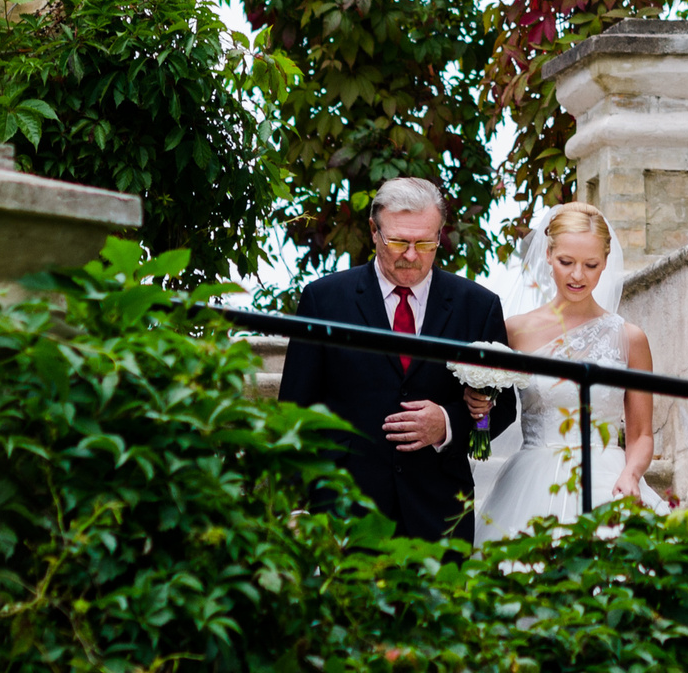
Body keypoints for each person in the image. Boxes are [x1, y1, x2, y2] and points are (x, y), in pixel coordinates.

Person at [278, 177, 514, 541]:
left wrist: (449, 423)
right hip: (345, 513)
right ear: (374, 230)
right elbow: (294, 410)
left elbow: (500, 410)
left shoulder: (478, 306)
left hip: (440, 515)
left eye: (425, 242)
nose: (411, 255)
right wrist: (294, 506)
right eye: (399, 241)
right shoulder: (324, 300)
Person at [476, 200, 665, 542]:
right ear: (548, 255)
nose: (578, 276)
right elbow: (492, 412)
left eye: (591, 265)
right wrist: (480, 410)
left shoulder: (630, 338)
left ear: (606, 262)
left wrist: (632, 474)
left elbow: (641, 434)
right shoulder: (514, 331)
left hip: (608, 478)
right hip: (531, 481)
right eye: (567, 262)